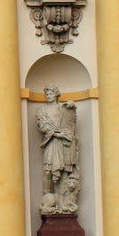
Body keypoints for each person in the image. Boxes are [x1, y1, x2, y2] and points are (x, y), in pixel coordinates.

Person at [36, 84, 80, 214]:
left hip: (65, 143)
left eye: (51, 94)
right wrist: (57, 134)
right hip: (52, 141)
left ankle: (63, 202)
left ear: (56, 94)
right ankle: (47, 196)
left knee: (64, 171)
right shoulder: (41, 110)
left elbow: (70, 121)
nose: (49, 96)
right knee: (49, 170)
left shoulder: (62, 108)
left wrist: (72, 107)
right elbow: (42, 126)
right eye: (47, 94)